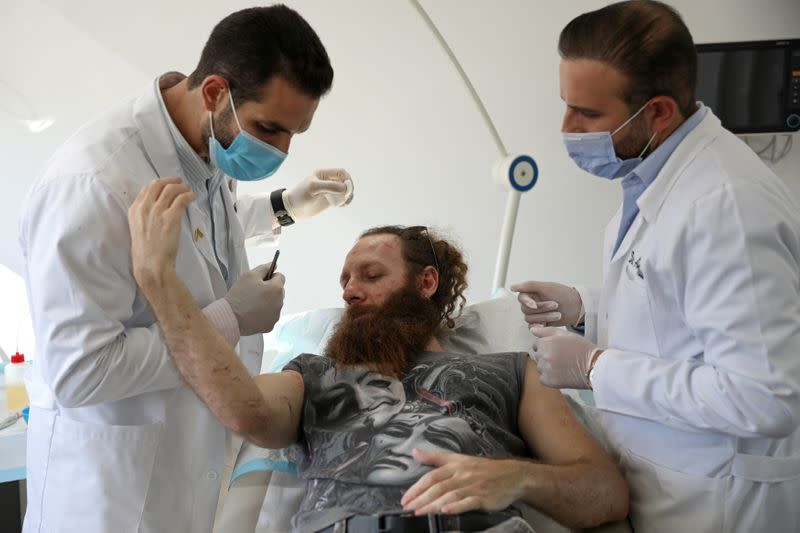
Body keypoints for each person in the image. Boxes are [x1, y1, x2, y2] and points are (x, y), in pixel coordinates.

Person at [126, 180, 629, 533]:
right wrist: (160, 282)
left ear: (425, 283)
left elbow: (605, 493)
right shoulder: (312, 374)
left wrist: (517, 476)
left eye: (370, 276)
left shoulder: (512, 371)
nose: (349, 292)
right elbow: (241, 409)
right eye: (345, 280)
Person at [18, 6, 354, 533]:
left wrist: (285, 204)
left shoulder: (208, 143)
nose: (281, 150)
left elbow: (198, 234)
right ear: (217, 91)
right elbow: (79, 372)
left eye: (295, 134)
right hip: (113, 501)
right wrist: (230, 320)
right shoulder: (92, 185)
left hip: (187, 475)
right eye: (270, 128)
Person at [511, 1, 800, 531]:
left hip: (715, 499)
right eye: (566, 105)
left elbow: (763, 398)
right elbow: (679, 309)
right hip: (662, 480)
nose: (568, 128)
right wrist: (585, 308)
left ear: (659, 112)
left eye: (589, 114)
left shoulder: (726, 204)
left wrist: (596, 367)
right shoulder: (652, 172)